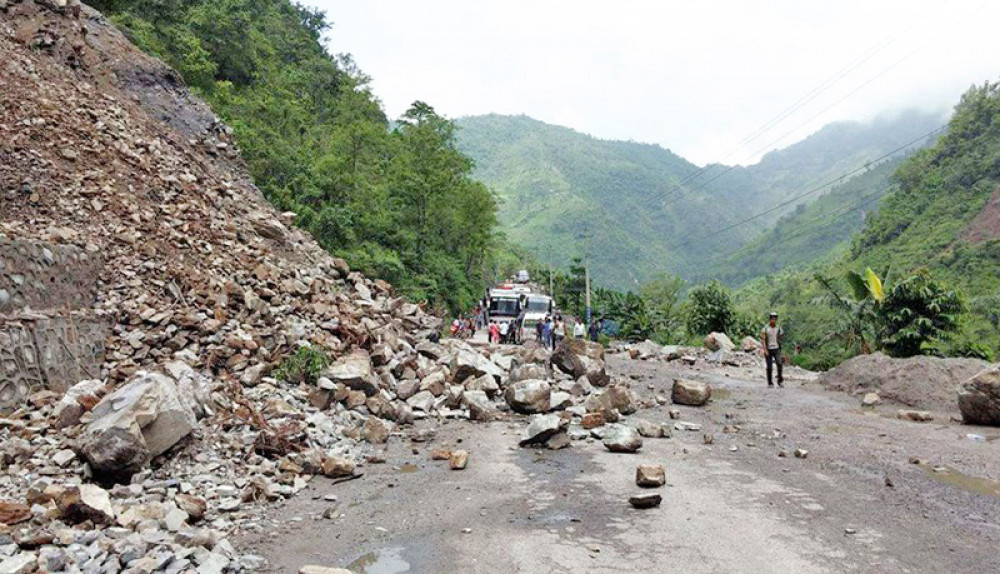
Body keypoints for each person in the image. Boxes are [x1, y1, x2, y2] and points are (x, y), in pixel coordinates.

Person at [760, 312, 784, 387]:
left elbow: (781, 336)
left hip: (776, 349)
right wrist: (765, 350)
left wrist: (780, 339)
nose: (774, 320)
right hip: (768, 349)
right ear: (770, 319)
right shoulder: (765, 329)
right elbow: (763, 340)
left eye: (775, 319)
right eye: (772, 319)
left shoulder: (778, 328)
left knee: (779, 364)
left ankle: (780, 381)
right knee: (769, 367)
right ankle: (770, 383)